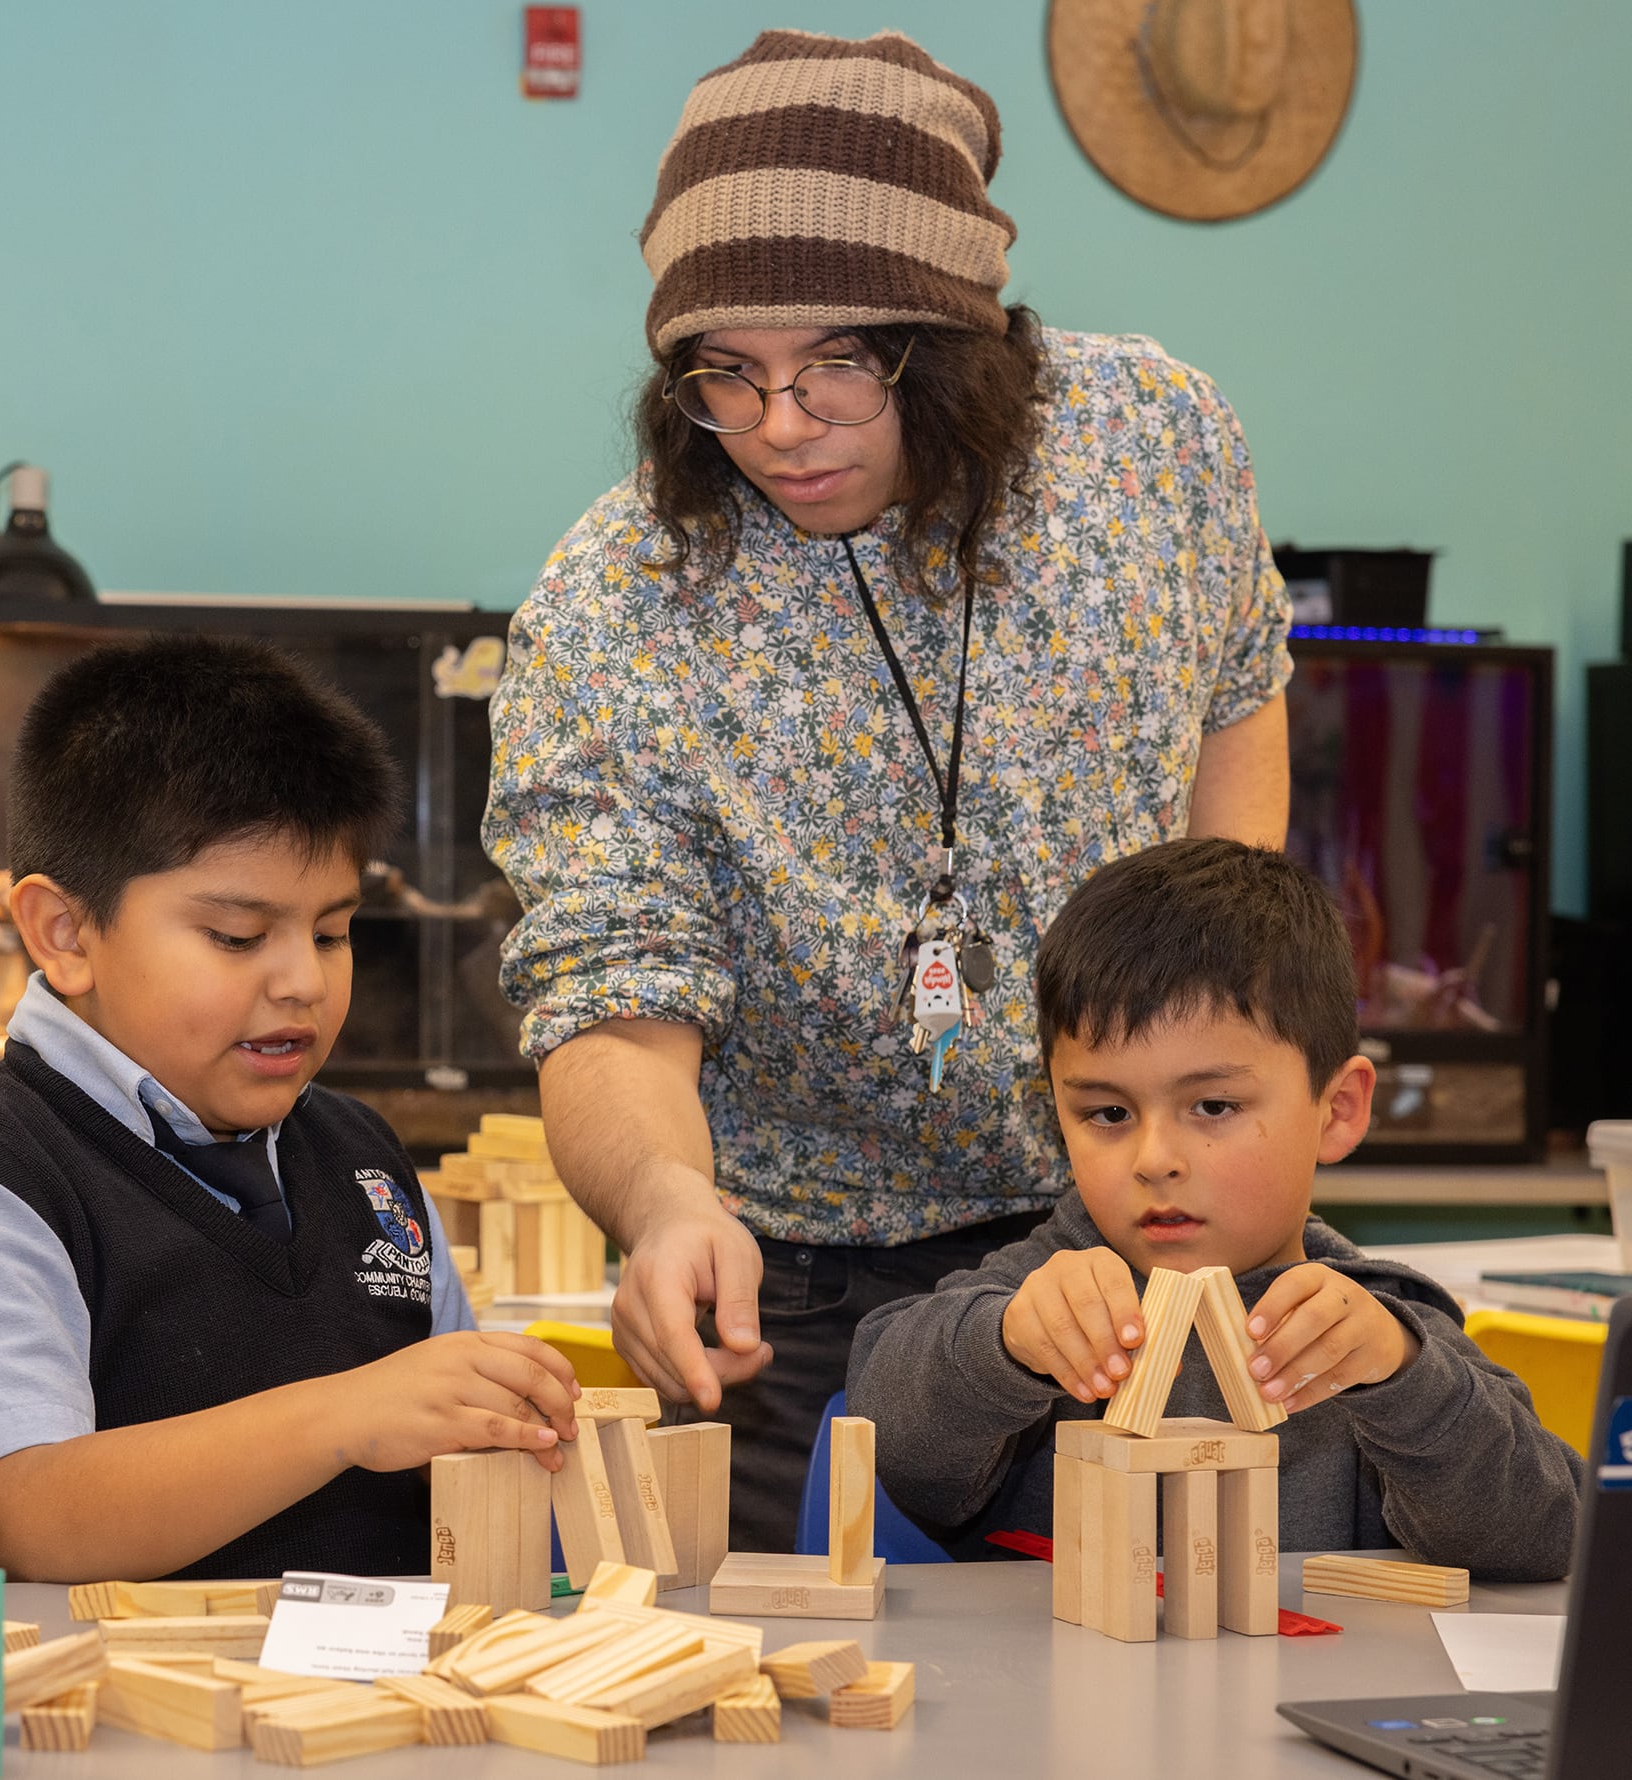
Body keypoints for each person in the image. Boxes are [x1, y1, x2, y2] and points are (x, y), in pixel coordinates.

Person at [481, 27, 1295, 1550]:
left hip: (1130, 1232)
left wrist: (1219, 1027)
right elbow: (607, 991)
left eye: (834, 369)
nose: (777, 429)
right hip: (787, 1288)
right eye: (723, 374)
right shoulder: (620, 598)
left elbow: (1237, 704)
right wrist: (663, 1204)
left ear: (957, 342)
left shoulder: (1152, 443)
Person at [0, 636, 581, 1582]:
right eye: (237, 937)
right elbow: (38, 1516)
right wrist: (346, 1415)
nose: (303, 981)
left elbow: (455, 1454)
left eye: (333, 932)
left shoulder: (364, 1161)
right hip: (107, 1719)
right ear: (64, 935)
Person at [844, 839, 1578, 1573]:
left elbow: (1547, 1535)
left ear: (1338, 1109)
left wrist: (1404, 1379)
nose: (1154, 1157)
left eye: (1213, 1105)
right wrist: (1001, 1345)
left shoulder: (1379, 1327)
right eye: (1106, 1113)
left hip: (1307, 1687)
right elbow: (888, 1440)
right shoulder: (1037, 1289)